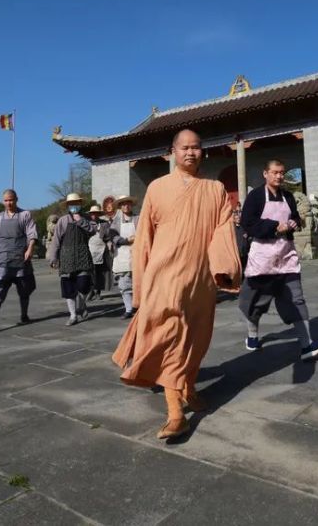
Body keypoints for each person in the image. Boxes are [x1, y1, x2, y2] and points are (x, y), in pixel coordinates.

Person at [112, 129, 241, 440]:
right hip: (165, 274)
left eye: (196, 147)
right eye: (184, 148)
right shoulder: (157, 188)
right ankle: (175, 413)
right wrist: (141, 283)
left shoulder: (215, 190)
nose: (191, 153)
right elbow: (144, 240)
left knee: (196, 336)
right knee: (170, 334)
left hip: (199, 277)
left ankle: (188, 385)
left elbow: (224, 230)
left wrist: (226, 268)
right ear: (172, 152)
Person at [238, 159, 318, 360]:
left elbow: (297, 217)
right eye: (275, 172)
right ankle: (252, 335)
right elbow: (248, 222)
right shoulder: (255, 196)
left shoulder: (288, 196)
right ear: (266, 174)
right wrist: (273, 226)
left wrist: (293, 222)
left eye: (282, 173)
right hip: (263, 257)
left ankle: (307, 346)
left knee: (296, 298)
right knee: (256, 304)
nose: (279, 176)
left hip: (286, 255)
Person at [0, 189, 38, 332]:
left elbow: (32, 234)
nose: (8, 203)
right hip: (2, 258)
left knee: (24, 288)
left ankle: (24, 315)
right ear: (2, 201)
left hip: (20, 256)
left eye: (11, 200)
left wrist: (30, 249)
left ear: (16, 199)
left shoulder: (25, 215)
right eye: (6, 200)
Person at [47, 193, 96, 326]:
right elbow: (56, 241)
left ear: (80, 204)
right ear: (68, 206)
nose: (74, 206)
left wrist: (80, 220)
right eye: (71, 204)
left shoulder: (86, 218)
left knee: (83, 285)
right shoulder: (62, 221)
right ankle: (73, 315)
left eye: (76, 203)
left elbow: (92, 230)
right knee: (68, 288)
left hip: (83, 256)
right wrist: (53, 257)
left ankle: (82, 304)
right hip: (66, 257)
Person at [108, 195, 139, 320]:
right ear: (120, 207)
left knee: (137, 283)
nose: (126, 206)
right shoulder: (116, 221)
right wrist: (126, 240)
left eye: (128, 204)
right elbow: (112, 236)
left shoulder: (138, 218)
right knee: (124, 284)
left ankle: (138, 307)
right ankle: (128, 308)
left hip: (137, 253)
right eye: (123, 204)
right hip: (122, 255)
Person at [86, 205, 111, 301]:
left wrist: (109, 244)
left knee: (100, 272)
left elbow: (108, 236)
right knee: (90, 272)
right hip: (89, 249)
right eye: (92, 213)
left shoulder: (104, 224)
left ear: (99, 214)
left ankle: (98, 292)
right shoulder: (87, 223)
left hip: (101, 250)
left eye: (96, 213)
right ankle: (91, 290)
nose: (94, 215)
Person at [232, 203, 249, 273]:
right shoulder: (232, 228)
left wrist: (247, 234)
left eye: (239, 218)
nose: (238, 219)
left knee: (244, 266)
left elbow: (248, 234)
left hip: (244, 251)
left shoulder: (243, 226)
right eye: (236, 218)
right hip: (236, 251)